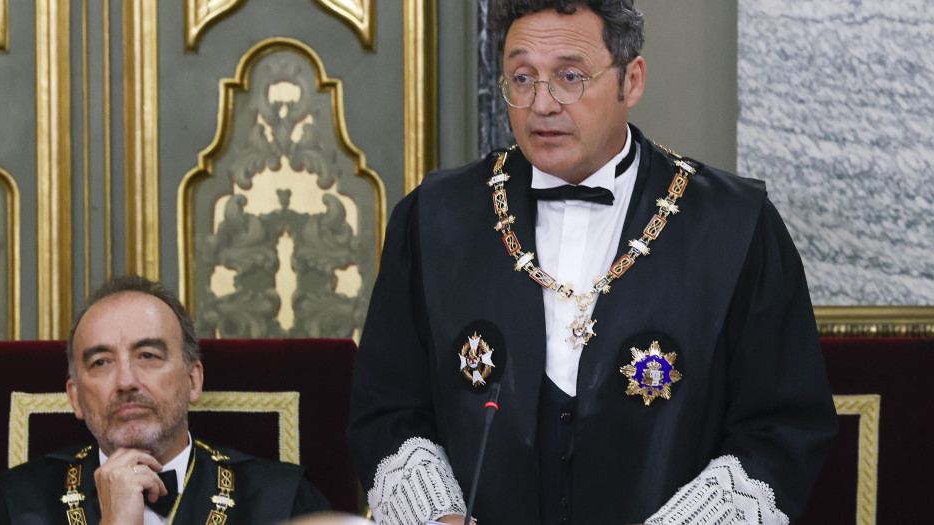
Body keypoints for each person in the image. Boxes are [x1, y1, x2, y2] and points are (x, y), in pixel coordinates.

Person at [347, 1, 837, 524]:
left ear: (632, 80)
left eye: (570, 76)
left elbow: (781, 427)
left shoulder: (735, 225)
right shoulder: (434, 217)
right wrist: (437, 516)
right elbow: (388, 408)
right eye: (522, 77)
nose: (542, 104)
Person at [0, 275, 330, 524]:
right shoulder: (12, 508)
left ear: (193, 380)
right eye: (101, 362)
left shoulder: (287, 502)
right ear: (76, 398)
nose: (126, 381)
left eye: (148, 355)